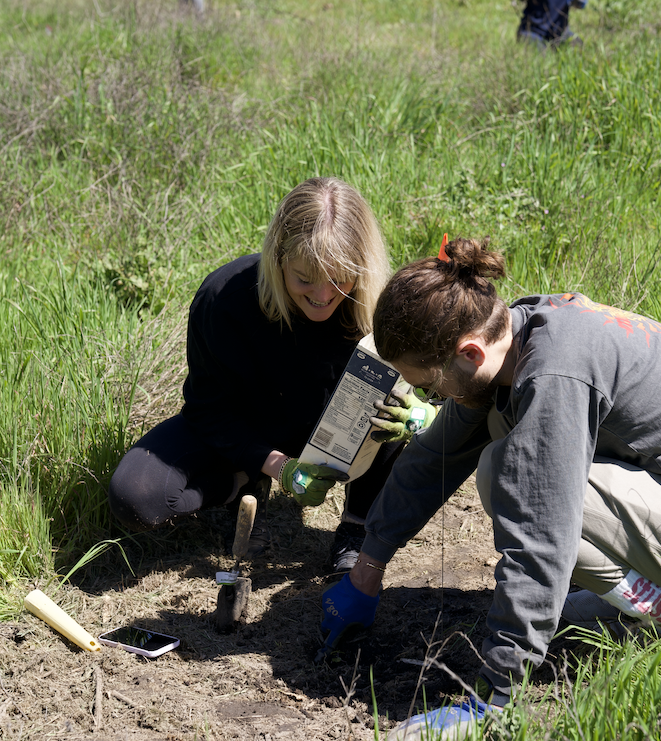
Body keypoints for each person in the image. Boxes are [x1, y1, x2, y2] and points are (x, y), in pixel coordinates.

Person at [318, 238, 661, 741]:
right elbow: (432, 459)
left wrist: (493, 696)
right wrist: (367, 568)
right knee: (498, 442)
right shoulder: (514, 334)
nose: (434, 400)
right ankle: (647, 603)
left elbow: (541, 536)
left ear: (468, 351)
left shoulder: (554, 373)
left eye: (433, 388)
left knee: (510, 469)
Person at [108, 178, 430, 573]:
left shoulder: (379, 305)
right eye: (304, 278)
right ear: (278, 258)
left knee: (393, 412)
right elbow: (208, 411)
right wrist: (279, 467)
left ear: (362, 265)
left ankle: (357, 526)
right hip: (251, 424)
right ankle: (242, 480)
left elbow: (434, 381)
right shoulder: (223, 299)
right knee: (135, 496)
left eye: (339, 279)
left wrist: (421, 413)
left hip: (337, 430)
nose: (324, 295)